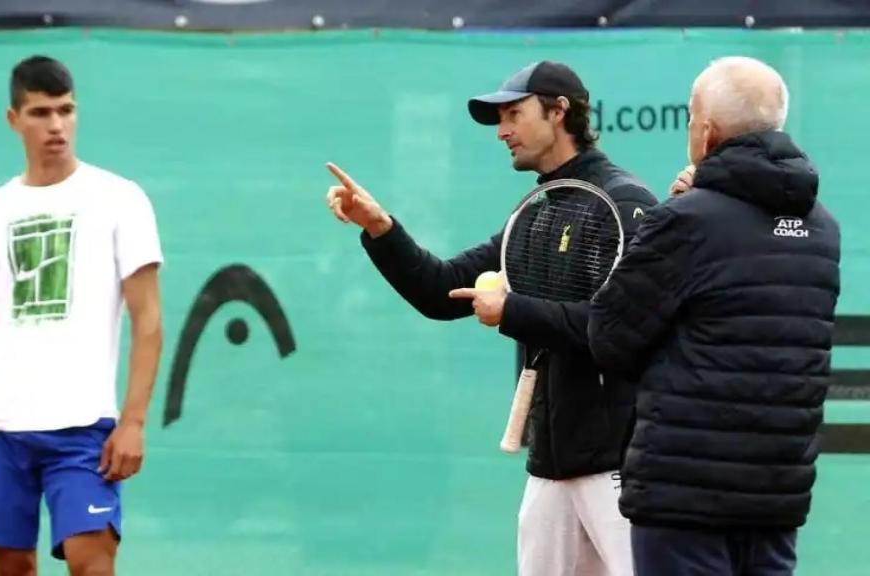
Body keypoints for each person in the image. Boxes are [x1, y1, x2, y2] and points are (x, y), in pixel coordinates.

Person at [325, 61, 657, 576]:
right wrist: (379, 228)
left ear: (558, 111)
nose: (502, 130)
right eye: (499, 117)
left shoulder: (623, 201)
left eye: (514, 114)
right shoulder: (538, 209)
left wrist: (512, 310)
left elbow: (620, 329)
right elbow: (440, 291)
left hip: (616, 466)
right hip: (550, 467)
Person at [588, 56, 841, 576]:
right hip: (776, 492)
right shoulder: (822, 228)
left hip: (683, 496)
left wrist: (670, 214)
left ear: (705, 133)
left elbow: (609, 336)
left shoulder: (684, 221)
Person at [0, 55, 164, 576]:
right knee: (12, 567)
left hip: (85, 429)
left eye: (66, 110)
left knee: (93, 564)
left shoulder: (120, 200)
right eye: (40, 113)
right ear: (13, 119)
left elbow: (147, 319)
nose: (56, 125)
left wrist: (132, 422)